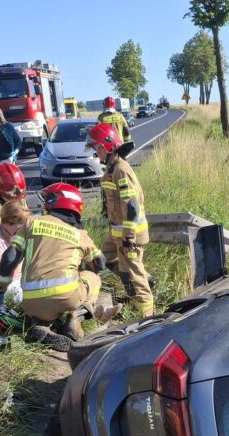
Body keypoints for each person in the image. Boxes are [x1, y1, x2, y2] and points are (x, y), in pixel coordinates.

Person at [0, 183, 121, 339]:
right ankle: (77, 315)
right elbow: (100, 263)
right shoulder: (80, 234)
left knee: (45, 308)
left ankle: (44, 325)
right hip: (66, 298)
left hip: (30, 302)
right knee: (94, 278)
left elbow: (10, 258)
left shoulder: (31, 223)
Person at [87, 122, 153, 316]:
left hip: (129, 235)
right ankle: (142, 284)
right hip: (117, 234)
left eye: (97, 147)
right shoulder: (112, 169)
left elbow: (131, 205)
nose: (96, 152)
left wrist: (129, 237)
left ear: (107, 146)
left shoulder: (120, 170)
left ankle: (147, 315)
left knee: (134, 274)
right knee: (104, 259)